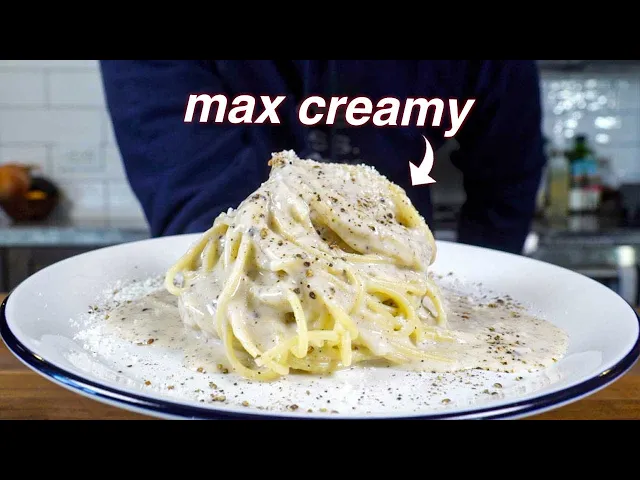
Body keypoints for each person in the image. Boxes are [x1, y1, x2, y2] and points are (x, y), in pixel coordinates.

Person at [99, 60, 545, 255]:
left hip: (406, 277)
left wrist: (480, 286)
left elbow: (509, 172)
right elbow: (191, 190)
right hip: (236, 290)